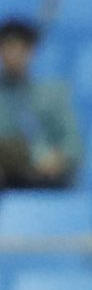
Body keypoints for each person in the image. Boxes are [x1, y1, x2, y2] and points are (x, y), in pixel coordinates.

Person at [0, 18, 79, 190]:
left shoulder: (53, 94)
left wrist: (58, 158)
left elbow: (72, 143)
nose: (13, 54)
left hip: (42, 176)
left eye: (20, 48)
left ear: (32, 51)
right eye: (7, 47)